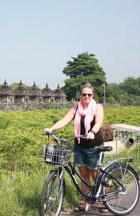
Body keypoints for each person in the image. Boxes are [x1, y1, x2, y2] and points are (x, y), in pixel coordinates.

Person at [44, 83, 104, 212]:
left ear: (93, 95)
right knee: (83, 175)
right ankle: (86, 201)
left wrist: (92, 132)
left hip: (94, 145)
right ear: (80, 95)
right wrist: (52, 128)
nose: (86, 97)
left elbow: (98, 122)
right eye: (84, 94)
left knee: (94, 173)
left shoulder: (97, 107)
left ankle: (104, 198)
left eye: (89, 94)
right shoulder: (76, 107)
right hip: (79, 145)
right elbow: (65, 120)